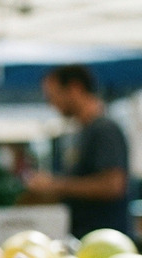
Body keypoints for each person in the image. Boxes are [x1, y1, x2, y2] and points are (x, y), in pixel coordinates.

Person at [26, 64, 132, 239]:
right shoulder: (82, 132)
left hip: (105, 241)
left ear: (75, 88)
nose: (51, 103)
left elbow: (113, 185)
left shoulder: (104, 129)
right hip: (87, 239)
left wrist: (54, 185)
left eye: (53, 95)